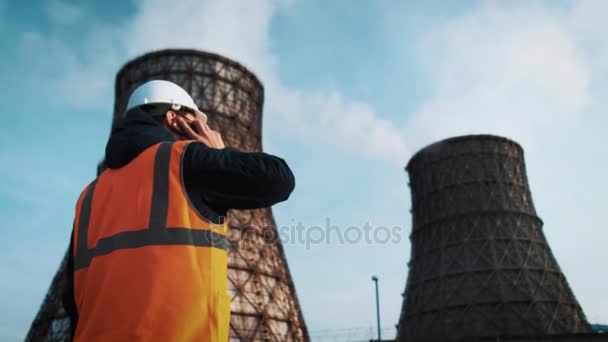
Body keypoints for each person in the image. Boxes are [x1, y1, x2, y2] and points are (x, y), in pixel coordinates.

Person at [62, 80, 295, 341]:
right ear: (174, 119)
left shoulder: (89, 196)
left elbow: (71, 299)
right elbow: (278, 179)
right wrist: (219, 152)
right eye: (196, 122)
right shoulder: (184, 160)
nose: (204, 129)